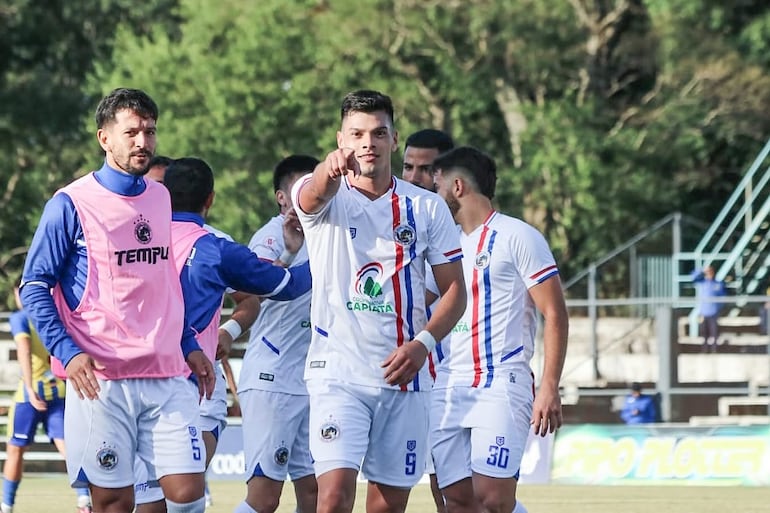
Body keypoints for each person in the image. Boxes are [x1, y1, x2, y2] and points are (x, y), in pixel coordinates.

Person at [19, 88, 216, 513]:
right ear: (104, 138)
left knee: (187, 493)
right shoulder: (69, 204)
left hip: (165, 372)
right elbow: (33, 286)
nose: (143, 142)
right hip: (101, 379)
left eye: (150, 131)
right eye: (131, 132)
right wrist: (67, 353)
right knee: (114, 503)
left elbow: (163, 284)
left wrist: (189, 343)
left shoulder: (161, 197)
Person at [292, 89, 467, 513]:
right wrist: (326, 173)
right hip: (337, 373)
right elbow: (312, 193)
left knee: (386, 506)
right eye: (357, 134)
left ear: (393, 139)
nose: (367, 142)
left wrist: (421, 345)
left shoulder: (425, 208)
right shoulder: (322, 199)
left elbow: (456, 292)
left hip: (404, 377)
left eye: (378, 132)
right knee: (331, 499)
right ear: (341, 140)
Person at [134, 157, 312, 513]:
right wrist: (327, 256)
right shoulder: (216, 247)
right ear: (210, 199)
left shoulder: (132, 240)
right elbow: (282, 286)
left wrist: (228, 331)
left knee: (157, 501)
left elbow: (250, 299)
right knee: (184, 498)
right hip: (191, 386)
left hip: (135, 385)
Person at [430, 146, 569, 513]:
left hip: (500, 382)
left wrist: (549, 386)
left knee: (492, 498)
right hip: (445, 384)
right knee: (456, 501)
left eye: (437, 185)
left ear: (457, 186)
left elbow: (554, 313)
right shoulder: (443, 245)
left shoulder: (518, 236)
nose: (433, 194)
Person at [234, 155, 320, 513]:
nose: (313, 197)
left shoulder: (329, 235)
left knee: (317, 495)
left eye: (317, 189)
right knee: (266, 497)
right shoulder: (271, 236)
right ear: (282, 198)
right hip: (273, 378)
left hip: (312, 379)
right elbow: (259, 287)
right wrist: (290, 251)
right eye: (302, 189)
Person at [1, 280, 92, 513]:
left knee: (16, 449)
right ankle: (84, 500)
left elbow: (24, 349)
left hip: (30, 394)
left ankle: (6, 505)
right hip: (59, 391)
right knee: (68, 448)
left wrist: (30, 389)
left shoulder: (21, 317)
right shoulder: (56, 314)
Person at [402, 128, 455, 513]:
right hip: (421, 378)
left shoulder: (475, 233)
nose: (415, 177)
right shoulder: (400, 230)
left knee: (471, 496)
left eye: (426, 169)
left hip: (467, 379)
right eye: (408, 167)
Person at [692, 265, 726, 352]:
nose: (709, 273)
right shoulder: (702, 283)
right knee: (704, 332)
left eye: (710, 271)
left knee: (714, 331)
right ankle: (705, 349)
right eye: (707, 272)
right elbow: (693, 277)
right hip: (704, 312)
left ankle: (714, 349)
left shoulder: (718, 284)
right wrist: (701, 270)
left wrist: (718, 308)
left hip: (714, 311)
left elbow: (723, 298)